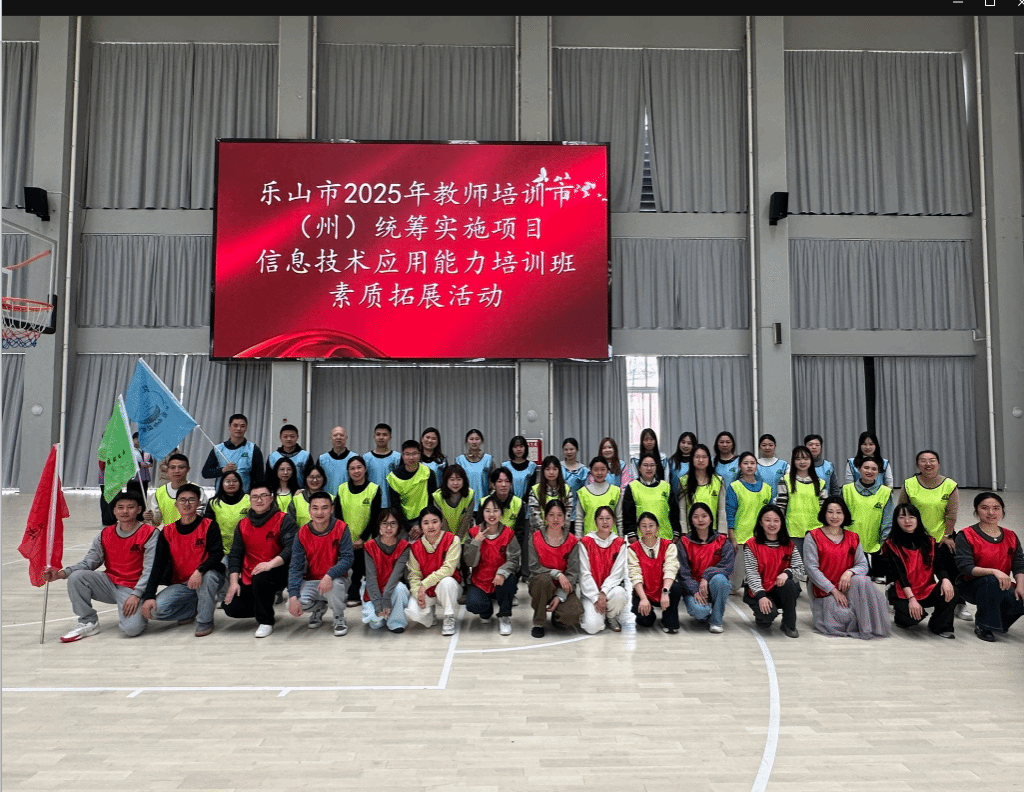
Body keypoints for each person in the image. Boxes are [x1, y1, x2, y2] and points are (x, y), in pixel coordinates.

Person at [47, 490, 159, 642]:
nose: (125, 511)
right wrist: (61, 574)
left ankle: (138, 609)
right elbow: (89, 562)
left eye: (130, 507)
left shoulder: (150, 533)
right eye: (120, 507)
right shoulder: (105, 533)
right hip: (109, 583)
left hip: (133, 588)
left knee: (132, 630)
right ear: (114, 510)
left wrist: (137, 594)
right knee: (77, 577)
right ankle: (88, 622)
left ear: (139, 509)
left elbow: (151, 569)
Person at [140, 484, 225, 638]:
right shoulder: (168, 531)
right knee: (155, 611)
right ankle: (191, 610)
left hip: (206, 577)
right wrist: (149, 596)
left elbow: (217, 554)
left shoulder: (209, 525)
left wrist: (200, 570)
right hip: (182, 584)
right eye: (182, 500)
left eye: (191, 500)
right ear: (176, 504)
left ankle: (205, 621)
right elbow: (158, 565)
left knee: (208, 576)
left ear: (198, 503)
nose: (187, 504)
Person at [803, 497, 890, 639]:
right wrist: (834, 590)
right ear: (824, 513)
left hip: (848, 586)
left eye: (839, 512)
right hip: (825, 589)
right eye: (830, 512)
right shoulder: (813, 536)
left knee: (863, 581)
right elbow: (811, 569)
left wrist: (849, 572)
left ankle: (863, 620)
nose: (834, 516)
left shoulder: (853, 537)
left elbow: (863, 565)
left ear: (845, 515)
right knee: (842, 619)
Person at [898, 449, 969, 621]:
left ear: (938, 463)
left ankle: (959, 602)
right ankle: (903, 597)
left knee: (952, 566)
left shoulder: (949, 485)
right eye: (923, 460)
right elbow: (901, 510)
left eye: (932, 460)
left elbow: (951, 514)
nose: (928, 464)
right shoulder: (909, 484)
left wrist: (947, 535)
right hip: (915, 538)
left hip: (941, 537)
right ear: (917, 465)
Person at [222, 484, 297, 638]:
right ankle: (264, 602)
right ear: (250, 500)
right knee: (231, 607)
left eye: (263, 496)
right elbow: (235, 554)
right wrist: (234, 583)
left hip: (279, 570)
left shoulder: (284, 519)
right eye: (255, 497)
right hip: (251, 573)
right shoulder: (243, 524)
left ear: (271, 498)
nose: (259, 500)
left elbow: (292, 548)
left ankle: (266, 621)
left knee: (261, 576)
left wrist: (270, 564)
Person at [955, 492, 1024, 642]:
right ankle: (983, 626)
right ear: (976, 510)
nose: (991, 512)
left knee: (1020, 594)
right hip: (971, 585)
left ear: (1002, 511)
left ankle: (999, 623)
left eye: (996, 508)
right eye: (985, 508)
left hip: (1001, 584)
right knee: (991, 580)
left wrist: (1020, 586)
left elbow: (1019, 565)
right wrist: (994, 571)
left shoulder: (1011, 536)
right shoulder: (966, 535)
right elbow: (965, 567)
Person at [882, 503, 956, 638]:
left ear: (918, 519)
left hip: (926, 588)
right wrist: (911, 599)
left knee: (951, 589)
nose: (907, 521)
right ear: (896, 520)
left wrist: (945, 580)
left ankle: (939, 625)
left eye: (911, 517)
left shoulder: (930, 541)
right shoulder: (891, 544)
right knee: (912, 619)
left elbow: (939, 566)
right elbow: (900, 575)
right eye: (902, 517)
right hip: (903, 591)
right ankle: (901, 615)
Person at [287, 491, 354, 637]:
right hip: (312, 580)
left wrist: (329, 575)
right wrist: (292, 595)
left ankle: (339, 617)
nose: (319, 512)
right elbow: (295, 566)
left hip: (336, 578)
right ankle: (318, 608)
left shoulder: (341, 528)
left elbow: (348, 558)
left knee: (336, 585)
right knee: (293, 601)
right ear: (309, 510)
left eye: (324, 508)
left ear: (331, 509)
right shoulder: (302, 533)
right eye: (315, 508)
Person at [463, 496, 521, 636]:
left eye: (495, 510)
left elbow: (514, 560)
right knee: (473, 604)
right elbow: (469, 562)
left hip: (499, 581)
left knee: (510, 579)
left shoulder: (508, 534)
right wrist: (476, 542)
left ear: (501, 512)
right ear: (482, 513)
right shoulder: (473, 533)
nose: (492, 514)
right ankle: (486, 610)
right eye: (487, 511)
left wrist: (502, 572)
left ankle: (504, 616)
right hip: (480, 582)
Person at [742, 504, 802, 638]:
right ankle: (762, 615)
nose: (772, 524)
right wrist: (761, 596)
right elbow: (752, 574)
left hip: (780, 589)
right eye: (767, 520)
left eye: (776, 520)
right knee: (767, 617)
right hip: (759, 590)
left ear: (781, 523)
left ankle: (789, 625)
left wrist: (787, 573)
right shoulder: (752, 545)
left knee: (789, 584)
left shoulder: (789, 545)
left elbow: (800, 568)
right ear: (760, 522)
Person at [526, 500, 584, 638]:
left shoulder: (572, 541)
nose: (555, 519)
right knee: (543, 580)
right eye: (551, 515)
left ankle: (557, 615)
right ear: (545, 517)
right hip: (541, 584)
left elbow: (573, 573)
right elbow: (533, 566)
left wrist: (560, 596)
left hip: (563, 587)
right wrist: (557, 574)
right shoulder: (535, 538)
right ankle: (539, 622)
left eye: (559, 515)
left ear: (565, 517)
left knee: (573, 615)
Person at [405, 505, 463, 636]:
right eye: (426, 523)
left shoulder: (452, 540)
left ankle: (449, 616)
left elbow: (448, 569)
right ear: (420, 526)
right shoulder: (415, 547)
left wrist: (424, 584)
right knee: (413, 612)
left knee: (447, 582)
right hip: (427, 590)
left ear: (441, 522)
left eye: (434, 521)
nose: (430, 526)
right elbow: (414, 575)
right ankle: (430, 614)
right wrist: (418, 594)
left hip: (449, 588)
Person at [678, 502, 734, 634]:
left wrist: (706, 577)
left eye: (704, 516)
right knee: (700, 612)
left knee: (721, 580)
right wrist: (695, 590)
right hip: (693, 588)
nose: (700, 520)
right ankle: (705, 612)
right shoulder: (684, 542)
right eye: (696, 516)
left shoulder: (722, 540)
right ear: (691, 520)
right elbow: (683, 573)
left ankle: (716, 620)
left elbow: (727, 568)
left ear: (711, 518)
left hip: (713, 584)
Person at [335, 455, 382, 607]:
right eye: (352, 468)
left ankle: (363, 593)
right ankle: (352, 592)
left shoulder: (374, 489)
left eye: (359, 467)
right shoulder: (342, 489)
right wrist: (347, 538)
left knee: (364, 567)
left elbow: (375, 517)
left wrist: (362, 538)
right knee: (349, 567)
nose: (356, 471)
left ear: (365, 469)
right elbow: (338, 516)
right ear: (348, 471)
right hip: (346, 538)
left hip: (367, 539)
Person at [628, 512, 683, 633]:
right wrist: (643, 599)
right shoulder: (633, 549)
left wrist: (665, 592)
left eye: (651, 525)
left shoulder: (669, 546)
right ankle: (648, 614)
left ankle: (668, 619)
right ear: (639, 529)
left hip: (663, 589)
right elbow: (635, 575)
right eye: (644, 526)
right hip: (645, 591)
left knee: (676, 588)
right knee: (645, 622)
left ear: (657, 528)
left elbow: (670, 569)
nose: (648, 529)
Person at [841, 456, 894, 581]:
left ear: (879, 472)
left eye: (874, 469)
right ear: (859, 469)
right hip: (850, 543)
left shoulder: (885, 492)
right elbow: (840, 517)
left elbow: (887, 521)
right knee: (858, 578)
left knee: (879, 579)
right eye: (866, 468)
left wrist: (884, 543)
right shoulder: (847, 490)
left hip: (876, 544)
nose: (870, 471)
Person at [578, 505, 629, 634]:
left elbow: (617, 573)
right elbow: (584, 574)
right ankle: (598, 613)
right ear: (595, 521)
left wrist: (604, 592)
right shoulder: (585, 542)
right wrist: (596, 598)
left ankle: (611, 616)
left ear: (613, 521)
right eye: (601, 518)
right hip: (590, 593)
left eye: (608, 518)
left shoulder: (620, 544)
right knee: (592, 628)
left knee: (620, 593)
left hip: (609, 592)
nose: (605, 522)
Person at [362, 508, 411, 633]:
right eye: (384, 523)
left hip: (392, 589)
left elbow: (396, 574)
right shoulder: (369, 546)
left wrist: (386, 599)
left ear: (398, 526)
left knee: (400, 589)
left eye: (393, 523)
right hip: (374, 590)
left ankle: (396, 622)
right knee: (376, 624)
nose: (389, 528)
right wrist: (378, 604)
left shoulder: (404, 546)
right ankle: (383, 613)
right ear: (379, 525)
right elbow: (371, 578)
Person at [775, 445, 825, 558]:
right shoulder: (785, 480)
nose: (802, 462)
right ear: (793, 461)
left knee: (814, 564)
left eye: (806, 458)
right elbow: (780, 507)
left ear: (811, 460)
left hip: (816, 531)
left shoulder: (820, 482)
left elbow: (824, 508)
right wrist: (779, 529)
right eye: (798, 459)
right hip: (793, 531)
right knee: (795, 565)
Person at [202, 413, 265, 493]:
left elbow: (259, 477)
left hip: (245, 496)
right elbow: (206, 473)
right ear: (229, 427)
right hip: (222, 496)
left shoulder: (253, 449)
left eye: (242, 426)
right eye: (235, 425)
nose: (238, 429)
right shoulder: (218, 449)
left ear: (246, 428)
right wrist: (223, 470)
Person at [623, 453, 679, 542]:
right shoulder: (632, 487)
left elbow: (674, 512)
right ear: (639, 468)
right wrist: (631, 533)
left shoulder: (665, 486)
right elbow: (628, 514)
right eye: (645, 465)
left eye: (652, 465)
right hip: (641, 539)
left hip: (665, 537)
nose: (649, 468)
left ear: (656, 467)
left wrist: (676, 531)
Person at [143, 452, 208, 528]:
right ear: (167, 470)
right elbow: (157, 522)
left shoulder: (197, 490)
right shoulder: (159, 492)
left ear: (188, 469)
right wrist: (150, 517)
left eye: (181, 467)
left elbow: (201, 517)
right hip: (168, 533)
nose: (177, 471)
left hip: (192, 532)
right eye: (172, 467)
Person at [386, 440, 438, 532]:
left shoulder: (428, 473)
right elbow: (395, 505)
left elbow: (431, 501)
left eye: (414, 454)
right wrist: (408, 528)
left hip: (424, 519)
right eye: (407, 454)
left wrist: (421, 524)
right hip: (401, 521)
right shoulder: (393, 477)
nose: (411, 457)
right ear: (402, 456)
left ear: (420, 455)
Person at [726, 451, 772, 555]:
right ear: (740, 466)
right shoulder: (734, 487)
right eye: (745, 463)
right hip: (741, 539)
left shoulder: (767, 488)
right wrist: (732, 537)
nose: (749, 466)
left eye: (752, 463)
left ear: (757, 466)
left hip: (762, 538)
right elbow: (730, 514)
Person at [679, 444, 726, 532]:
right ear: (692, 459)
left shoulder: (718, 480)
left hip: (713, 531)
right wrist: (684, 532)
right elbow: (682, 509)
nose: (701, 460)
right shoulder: (684, 481)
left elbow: (722, 509)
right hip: (691, 532)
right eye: (697, 457)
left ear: (709, 459)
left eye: (704, 457)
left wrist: (722, 532)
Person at [575, 456, 622, 537]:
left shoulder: (615, 491)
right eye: (596, 470)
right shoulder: (583, 492)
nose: (599, 473)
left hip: (611, 539)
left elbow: (619, 518)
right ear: (591, 471)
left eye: (603, 469)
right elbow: (579, 520)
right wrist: (578, 539)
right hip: (589, 539)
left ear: (607, 470)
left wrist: (621, 538)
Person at [207, 471, 249, 557]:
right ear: (221, 484)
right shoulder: (213, 502)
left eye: (234, 481)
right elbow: (208, 527)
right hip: (220, 549)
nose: (231, 484)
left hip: (245, 548)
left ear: (240, 483)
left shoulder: (249, 500)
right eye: (227, 481)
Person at [528, 455, 575, 532]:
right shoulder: (535, 490)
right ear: (543, 471)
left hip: (561, 533)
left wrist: (562, 533)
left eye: (554, 469)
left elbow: (568, 515)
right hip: (540, 534)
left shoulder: (567, 490)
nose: (551, 472)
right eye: (548, 469)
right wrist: (546, 534)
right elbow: (535, 517)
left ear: (559, 471)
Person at [432, 463, 475, 540]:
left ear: (464, 480)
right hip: (444, 538)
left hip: (464, 538)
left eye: (459, 479)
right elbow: (442, 521)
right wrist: (450, 540)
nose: (455, 483)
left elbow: (467, 519)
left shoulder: (470, 495)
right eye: (452, 479)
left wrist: (458, 539)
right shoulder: (437, 496)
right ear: (446, 480)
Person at [363, 423, 401, 508]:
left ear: (390, 437)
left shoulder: (397, 457)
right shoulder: (366, 458)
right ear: (374, 437)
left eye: (384, 435)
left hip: (392, 503)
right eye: (378, 434)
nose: (381, 437)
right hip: (371, 503)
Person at [455, 428, 493, 513]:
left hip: (484, 503)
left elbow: (494, 482)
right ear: (467, 441)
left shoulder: (488, 459)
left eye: (477, 439)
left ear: (481, 441)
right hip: (464, 503)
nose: (474, 442)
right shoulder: (460, 460)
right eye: (471, 439)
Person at [266, 424, 313, 488]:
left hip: (300, 491)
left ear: (297, 437)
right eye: (285, 437)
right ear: (280, 438)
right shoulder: (273, 457)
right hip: (278, 491)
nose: (289, 439)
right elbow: (268, 478)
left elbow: (310, 477)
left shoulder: (305, 456)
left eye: (292, 436)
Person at [288, 462, 331, 530]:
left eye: (318, 477)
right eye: (311, 477)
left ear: (323, 478)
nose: (315, 480)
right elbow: (290, 525)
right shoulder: (296, 499)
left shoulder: (331, 499)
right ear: (306, 479)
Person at [318, 425, 358, 497]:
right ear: (330, 438)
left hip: (349, 499)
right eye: (335, 435)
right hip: (327, 499)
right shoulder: (322, 459)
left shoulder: (354, 458)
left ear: (346, 438)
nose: (338, 437)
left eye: (341, 435)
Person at [803, 434, 840, 498]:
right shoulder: (800, 465)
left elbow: (834, 488)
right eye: (810, 445)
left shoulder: (828, 466)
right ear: (805, 447)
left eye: (817, 445)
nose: (814, 447)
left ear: (821, 447)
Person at [502, 434, 536, 500]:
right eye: (515, 447)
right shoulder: (505, 466)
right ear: (511, 449)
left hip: (527, 502)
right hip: (508, 501)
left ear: (525, 448)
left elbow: (532, 487)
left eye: (521, 446)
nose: (518, 449)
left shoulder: (532, 466)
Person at [755, 434, 788, 502]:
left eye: (770, 445)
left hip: (779, 502)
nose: (767, 448)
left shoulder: (783, 465)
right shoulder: (754, 464)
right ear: (759, 447)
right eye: (764, 445)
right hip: (758, 502)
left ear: (775, 446)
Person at [667, 431, 697, 499]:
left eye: (689, 443)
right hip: (675, 499)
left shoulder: (697, 461)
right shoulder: (671, 461)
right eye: (683, 442)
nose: (685, 445)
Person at [130, 431, 154, 497]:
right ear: (132, 440)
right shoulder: (130, 450)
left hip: (144, 478)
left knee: (143, 496)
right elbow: (128, 463)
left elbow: (151, 460)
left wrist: (149, 464)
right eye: (136, 439)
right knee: (133, 497)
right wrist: (139, 465)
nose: (138, 441)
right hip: (133, 479)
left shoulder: (147, 450)